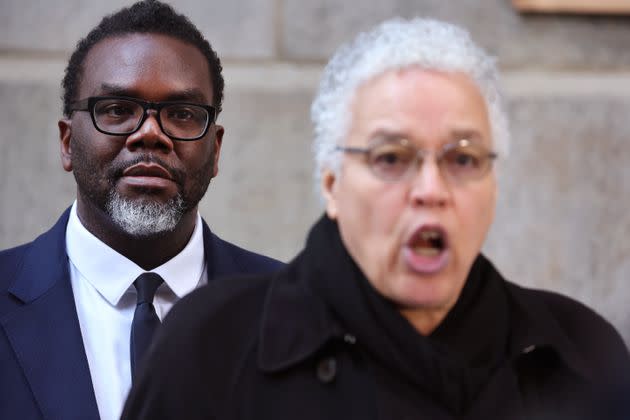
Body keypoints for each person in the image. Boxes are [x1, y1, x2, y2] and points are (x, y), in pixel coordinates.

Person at [121, 17, 630, 420]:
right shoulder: (212, 345)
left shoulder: (578, 353)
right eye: (391, 158)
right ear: (332, 184)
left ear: (493, 186)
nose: (431, 191)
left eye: (463, 159)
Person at [0, 1, 282, 420]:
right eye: (117, 110)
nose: (150, 134)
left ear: (216, 148)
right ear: (66, 142)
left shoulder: (294, 310)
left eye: (182, 114)